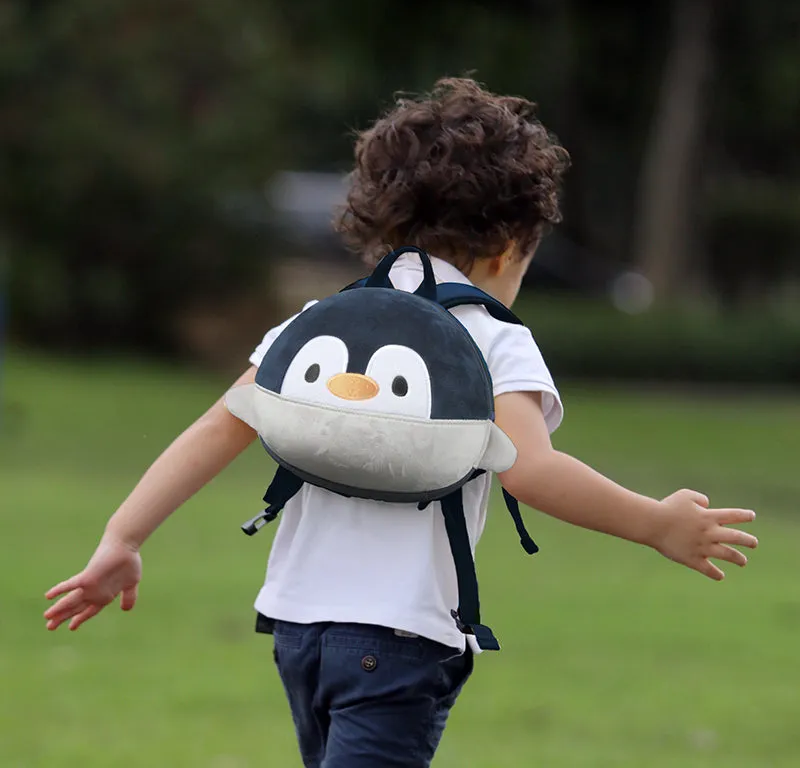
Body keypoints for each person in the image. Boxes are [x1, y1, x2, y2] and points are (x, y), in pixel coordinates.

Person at [43, 78, 758, 768]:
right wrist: (653, 523)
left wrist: (123, 536)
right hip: (402, 635)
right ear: (511, 248)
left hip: (298, 627)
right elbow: (531, 470)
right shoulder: (492, 338)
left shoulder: (321, 324)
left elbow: (218, 427)